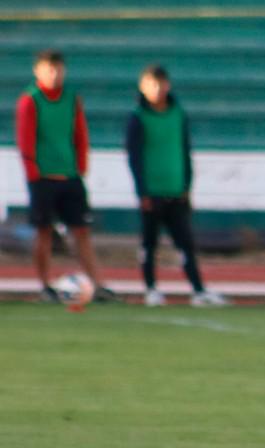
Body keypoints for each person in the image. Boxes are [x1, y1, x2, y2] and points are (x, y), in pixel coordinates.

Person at [15, 49, 118, 303]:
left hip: (70, 176)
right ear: (37, 71)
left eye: (58, 69)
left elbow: (80, 135)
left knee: (81, 231)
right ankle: (45, 285)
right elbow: (25, 140)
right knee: (44, 232)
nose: (55, 74)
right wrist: (33, 174)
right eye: (49, 69)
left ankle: (96, 284)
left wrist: (80, 167)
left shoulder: (72, 99)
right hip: (43, 177)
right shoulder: (31, 100)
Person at [125, 64, 226, 308]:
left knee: (186, 244)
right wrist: (142, 191)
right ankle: (150, 289)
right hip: (152, 191)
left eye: (161, 83)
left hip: (176, 190)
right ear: (143, 87)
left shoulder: (178, 114)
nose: (157, 89)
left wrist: (187, 184)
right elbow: (134, 157)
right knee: (149, 244)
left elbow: (185, 150)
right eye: (152, 84)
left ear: (167, 85)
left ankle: (198, 291)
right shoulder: (137, 117)